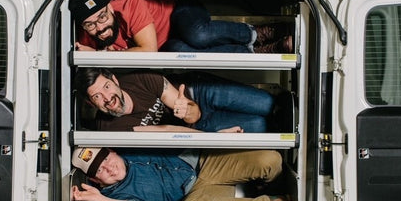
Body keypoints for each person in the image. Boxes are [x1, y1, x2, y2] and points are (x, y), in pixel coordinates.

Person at [71, 146, 294, 201]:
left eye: (106, 159)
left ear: (111, 150)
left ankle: (273, 190)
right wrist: (100, 200)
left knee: (271, 160)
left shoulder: (129, 147)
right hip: (194, 195)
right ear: (94, 179)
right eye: (100, 170)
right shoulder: (115, 196)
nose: (109, 168)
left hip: (205, 162)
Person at [68, 0, 293, 54]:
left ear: (110, 7)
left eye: (102, 17)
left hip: (179, 11)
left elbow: (148, 50)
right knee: (184, 53)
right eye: (90, 24)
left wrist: (99, 55)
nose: (100, 27)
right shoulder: (84, 39)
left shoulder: (128, 3)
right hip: (167, 42)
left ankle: (255, 34)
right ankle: (259, 52)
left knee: (197, 35)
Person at [75, 68, 278, 133]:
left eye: (107, 87)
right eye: (97, 96)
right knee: (258, 125)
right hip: (191, 130)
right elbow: (172, 132)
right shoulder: (111, 129)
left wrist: (187, 109)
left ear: (115, 81)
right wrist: (212, 137)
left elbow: (192, 110)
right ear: (91, 104)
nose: (107, 98)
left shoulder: (140, 79)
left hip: (196, 93)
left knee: (266, 103)